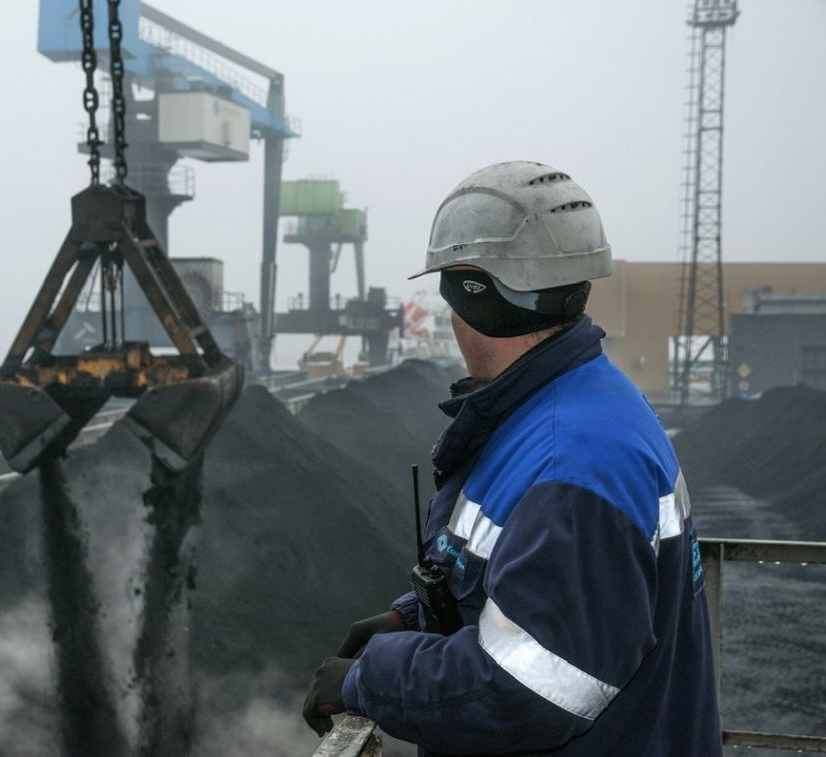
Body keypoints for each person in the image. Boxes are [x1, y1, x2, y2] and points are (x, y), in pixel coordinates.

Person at [302, 161, 721, 755]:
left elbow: (530, 690)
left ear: (476, 294)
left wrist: (371, 677)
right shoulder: (570, 404)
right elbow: (519, 574)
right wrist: (412, 618)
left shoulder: (569, 462)